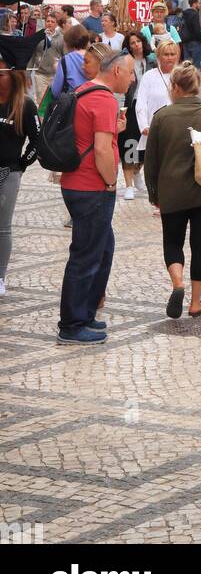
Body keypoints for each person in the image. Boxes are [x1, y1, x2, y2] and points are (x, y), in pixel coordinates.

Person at [57, 48, 134, 344]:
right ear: (116, 71)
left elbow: (88, 134)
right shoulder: (103, 99)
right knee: (86, 255)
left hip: (77, 183)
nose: (131, 79)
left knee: (102, 249)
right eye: (129, 73)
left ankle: (85, 313)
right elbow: (101, 150)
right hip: (91, 186)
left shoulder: (85, 90)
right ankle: (72, 324)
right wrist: (110, 181)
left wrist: (112, 130)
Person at [144, 62, 201, 319]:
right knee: (200, 244)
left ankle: (177, 283)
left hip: (172, 191)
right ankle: (195, 302)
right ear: (198, 86)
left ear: (174, 87)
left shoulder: (161, 117)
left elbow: (151, 162)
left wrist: (153, 194)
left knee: (173, 242)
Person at [0, 59, 40, 296]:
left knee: (2, 228)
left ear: (13, 76)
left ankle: (0, 276)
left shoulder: (25, 105)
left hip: (9, 173)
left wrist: (22, 164)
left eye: (1, 73)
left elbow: (36, 140)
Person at [119, 31, 155, 200]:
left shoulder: (152, 61)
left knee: (146, 144)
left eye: (138, 41)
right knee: (130, 144)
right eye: (132, 42)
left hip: (148, 108)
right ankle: (128, 185)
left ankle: (136, 171)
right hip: (131, 107)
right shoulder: (125, 62)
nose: (136, 45)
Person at [135, 39, 180, 167]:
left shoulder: (182, 75)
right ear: (159, 56)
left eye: (173, 54)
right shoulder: (149, 76)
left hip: (177, 128)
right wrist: (143, 125)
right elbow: (141, 103)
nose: (169, 58)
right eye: (166, 54)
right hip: (154, 129)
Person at [32, 10, 64, 109]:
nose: (49, 23)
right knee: (40, 101)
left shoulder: (61, 38)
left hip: (55, 75)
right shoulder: (38, 36)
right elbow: (33, 54)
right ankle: (42, 123)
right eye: (48, 21)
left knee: (54, 100)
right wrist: (27, 73)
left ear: (56, 24)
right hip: (40, 73)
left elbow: (65, 55)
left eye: (52, 22)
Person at [51, 24, 91, 97]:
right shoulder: (94, 57)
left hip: (74, 103)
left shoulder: (65, 60)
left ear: (68, 43)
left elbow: (55, 91)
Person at [179, 0, 201, 68]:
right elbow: (197, 30)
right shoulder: (195, 14)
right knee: (197, 66)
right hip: (194, 42)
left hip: (185, 42)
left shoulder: (184, 14)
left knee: (187, 66)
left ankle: (188, 78)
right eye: (199, 3)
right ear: (194, 4)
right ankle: (196, 79)